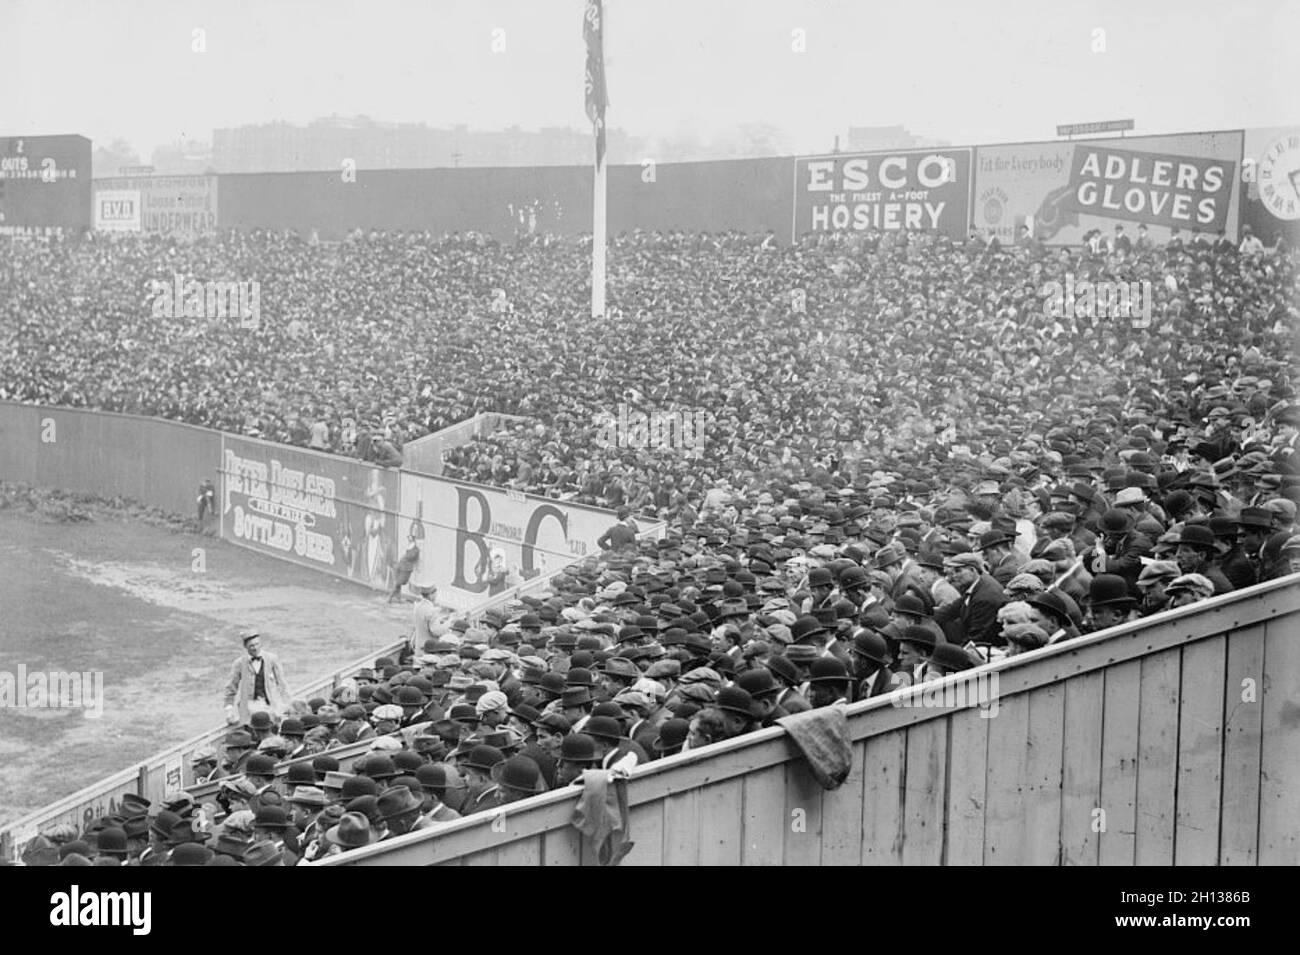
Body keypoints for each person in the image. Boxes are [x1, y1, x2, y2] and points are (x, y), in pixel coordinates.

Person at [223, 630, 291, 726]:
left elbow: (282, 684)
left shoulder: (272, 659)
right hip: (250, 710)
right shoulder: (239, 663)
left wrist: (287, 704)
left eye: (257, 644)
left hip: (271, 707)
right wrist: (229, 710)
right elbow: (230, 689)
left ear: (261, 643)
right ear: (245, 647)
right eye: (251, 646)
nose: (255, 648)